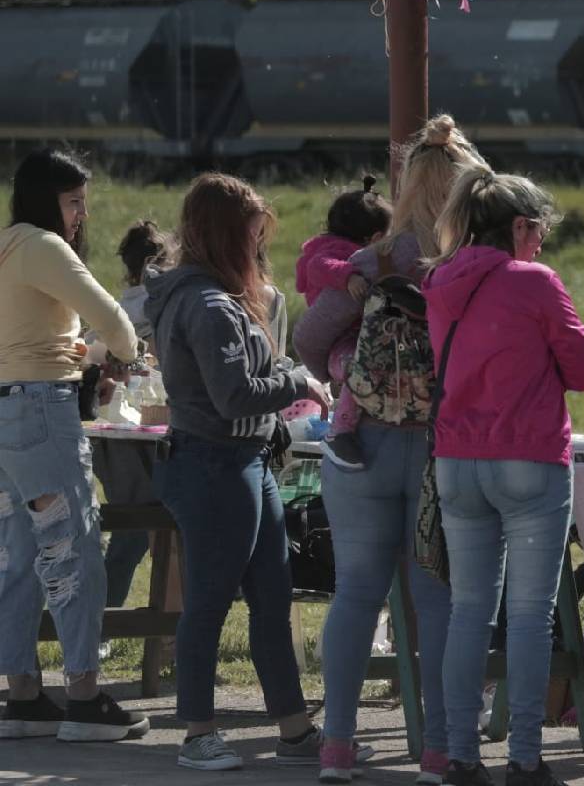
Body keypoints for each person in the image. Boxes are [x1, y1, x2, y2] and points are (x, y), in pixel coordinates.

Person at [294, 114, 489, 786]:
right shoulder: (478, 262)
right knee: (436, 601)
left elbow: (309, 340)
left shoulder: (375, 259)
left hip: (363, 446)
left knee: (354, 596)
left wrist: (348, 372)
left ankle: (338, 749)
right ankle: (438, 750)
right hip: (445, 449)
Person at [145, 173, 335, 771]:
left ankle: (294, 727)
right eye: (250, 241)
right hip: (214, 465)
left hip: (247, 461)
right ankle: (198, 730)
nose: (257, 253)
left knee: (271, 596)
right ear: (224, 238)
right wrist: (298, 382)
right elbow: (233, 395)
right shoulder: (207, 304)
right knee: (210, 600)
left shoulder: (218, 297)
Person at [422, 166, 584, 786]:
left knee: (469, 611)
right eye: (540, 229)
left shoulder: (440, 280)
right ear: (520, 226)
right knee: (529, 616)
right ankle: (525, 758)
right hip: (528, 459)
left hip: (456, 461)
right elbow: (581, 371)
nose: (543, 241)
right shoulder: (536, 282)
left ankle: (459, 758)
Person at [0, 148, 148, 742]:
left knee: (17, 555)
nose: (81, 215)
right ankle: (84, 695)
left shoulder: (8, 244)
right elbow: (112, 317)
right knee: (74, 544)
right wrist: (129, 354)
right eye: (73, 201)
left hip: (8, 407)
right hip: (41, 409)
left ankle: (24, 694)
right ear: (46, 200)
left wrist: (76, 354)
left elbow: (31, 336)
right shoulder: (43, 246)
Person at [295, 176, 393, 470]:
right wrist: (348, 276)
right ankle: (342, 430)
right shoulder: (336, 253)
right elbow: (318, 266)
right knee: (356, 366)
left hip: (356, 332)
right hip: (340, 339)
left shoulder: (333, 245)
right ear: (375, 239)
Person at [102, 220, 175, 610]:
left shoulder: (120, 306)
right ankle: (105, 617)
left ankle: (108, 616)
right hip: (136, 431)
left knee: (133, 529)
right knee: (134, 529)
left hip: (127, 430)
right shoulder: (153, 304)